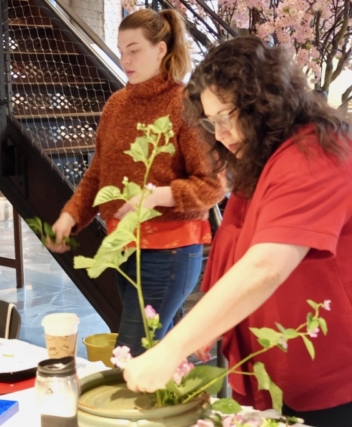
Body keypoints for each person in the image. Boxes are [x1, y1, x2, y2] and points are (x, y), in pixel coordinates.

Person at [122, 37, 352, 427]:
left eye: (227, 115)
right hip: (303, 361)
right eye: (210, 121)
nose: (219, 133)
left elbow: (265, 266)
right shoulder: (268, 155)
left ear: (265, 103)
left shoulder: (318, 153)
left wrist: (172, 348)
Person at [47, 9, 224, 356]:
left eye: (134, 49)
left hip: (170, 251)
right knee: (163, 353)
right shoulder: (116, 105)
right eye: (120, 50)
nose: (125, 59)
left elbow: (212, 186)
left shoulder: (185, 104)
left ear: (161, 49)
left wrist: (158, 196)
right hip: (124, 247)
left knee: (132, 353)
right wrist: (71, 215)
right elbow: (97, 174)